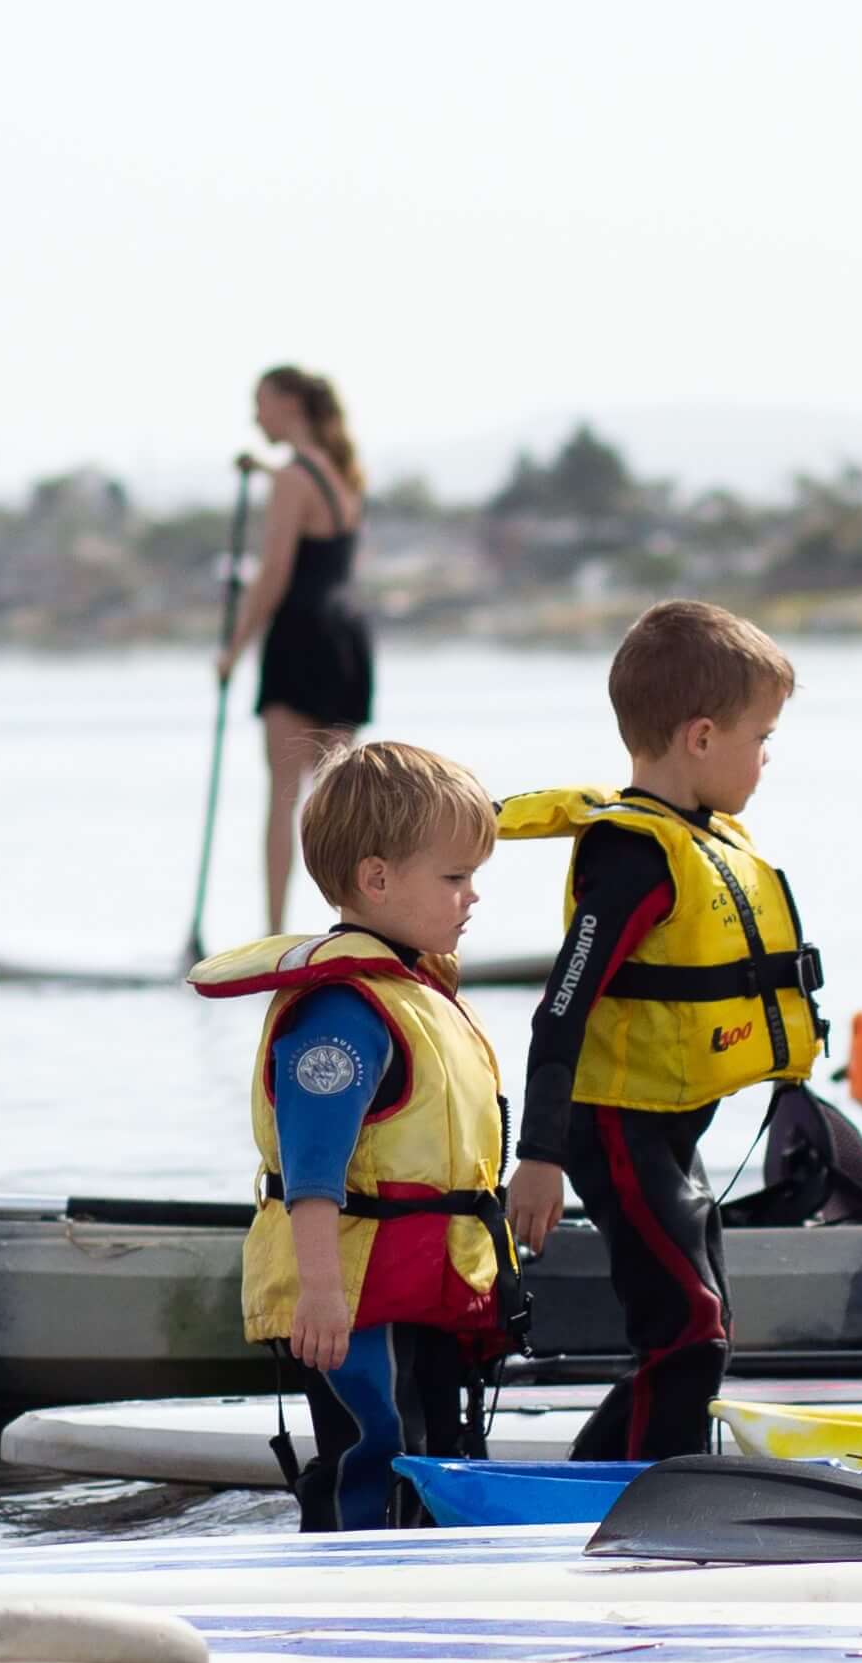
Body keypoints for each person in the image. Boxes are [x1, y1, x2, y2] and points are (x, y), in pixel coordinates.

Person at [498, 600, 822, 1462]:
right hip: (612, 1122)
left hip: (670, 1125)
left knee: (698, 1322)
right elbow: (562, 1004)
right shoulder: (634, 857)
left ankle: (638, 1474)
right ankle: (629, 1497)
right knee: (690, 1330)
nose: (765, 759)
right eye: (762, 737)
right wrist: (539, 1156)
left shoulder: (699, 836)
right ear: (703, 737)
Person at [186, 740, 520, 1530]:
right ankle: (340, 1577)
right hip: (355, 1297)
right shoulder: (342, 1010)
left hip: (421, 1289)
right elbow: (313, 1169)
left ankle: (434, 1588)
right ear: (376, 879)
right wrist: (323, 1293)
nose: (471, 897)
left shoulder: (412, 988)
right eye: (453, 877)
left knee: (435, 1451)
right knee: (374, 1449)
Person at [215, 364, 378, 941]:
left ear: (288, 404)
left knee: (284, 797)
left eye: (260, 403)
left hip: (300, 635)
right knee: (342, 804)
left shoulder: (291, 479)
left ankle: (274, 934)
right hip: (348, 635)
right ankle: (365, 928)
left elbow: (275, 574)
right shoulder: (342, 473)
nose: (255, 417)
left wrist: (233, 650)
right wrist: (263, 470)